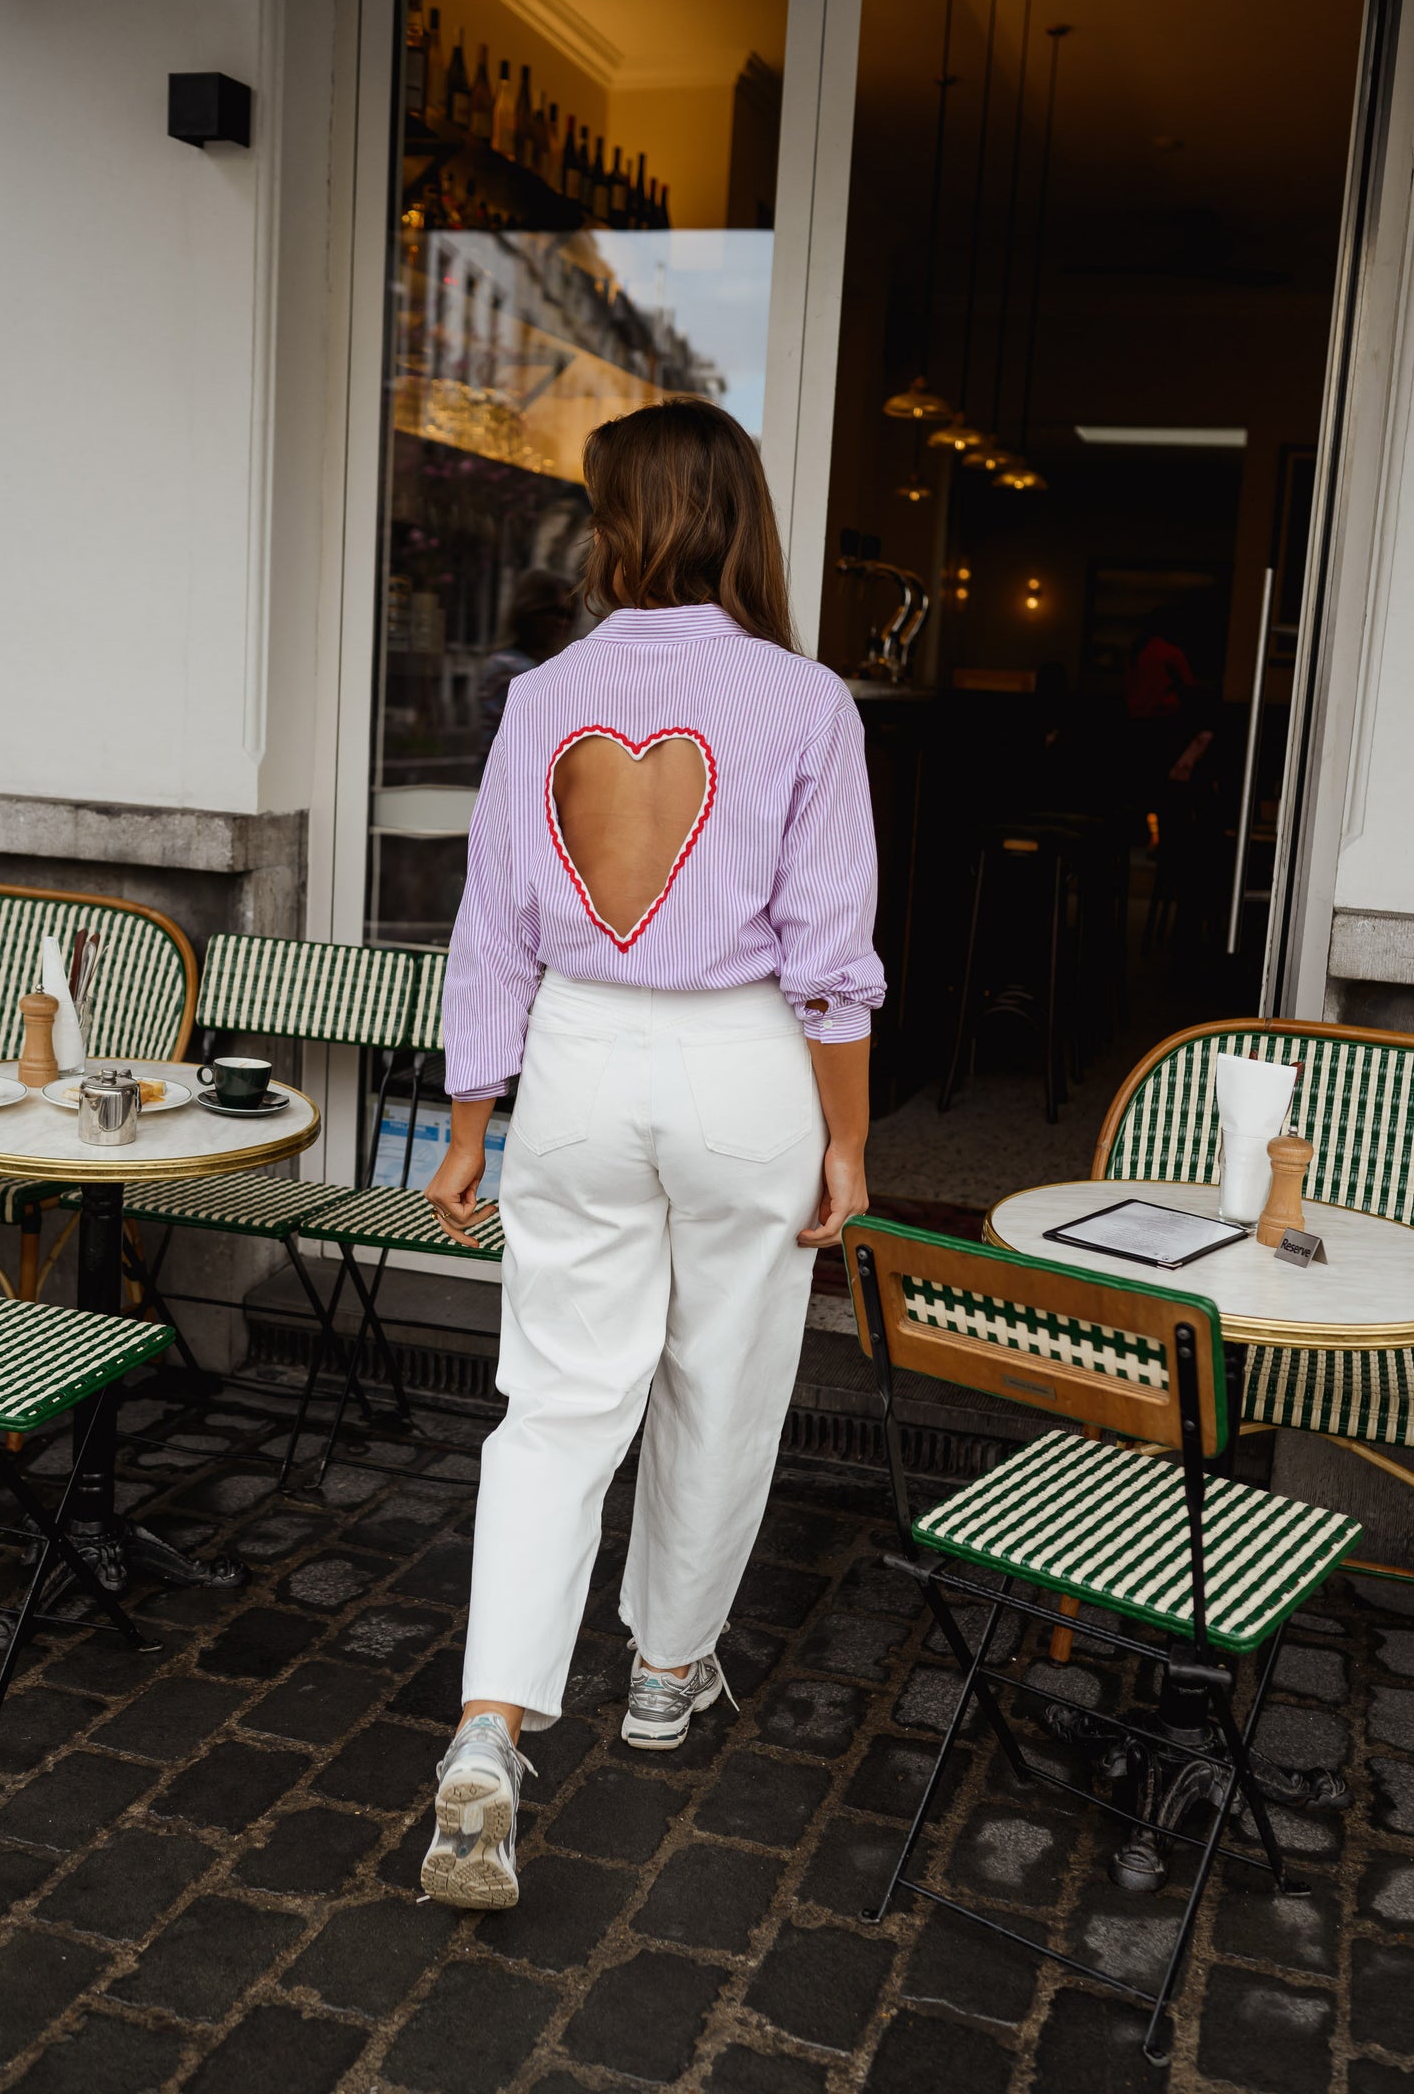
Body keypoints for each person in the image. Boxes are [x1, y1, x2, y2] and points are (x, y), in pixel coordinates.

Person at [420, 396, 886, 1909]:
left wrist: (469, 1124)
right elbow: (829, 959)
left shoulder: (545, 696)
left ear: (619, 523)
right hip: (743, 1063)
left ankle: (489, 1729)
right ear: (739, 516)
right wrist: (847, 1142)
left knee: (557, 1400)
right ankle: (664, 1678)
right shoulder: (804, 700)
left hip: (578, 1058)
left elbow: (491, 927)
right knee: (722, 1380)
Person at [477, 567, 577, 767]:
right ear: (528, 612)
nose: (561, 623)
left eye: (568, 615)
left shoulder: (551, 667)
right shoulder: (507, 668)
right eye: (553, 612)